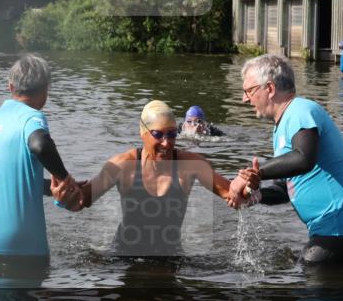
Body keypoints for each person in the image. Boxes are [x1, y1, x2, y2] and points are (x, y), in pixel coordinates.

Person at [230, 54, 343, 265]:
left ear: (270, 89)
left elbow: (303, 159)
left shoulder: (300, 110)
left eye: (249, 91)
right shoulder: (284, 124)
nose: (245, 99)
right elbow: (288, 187)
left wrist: (253, 173)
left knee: (308, 275)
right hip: (339, 227)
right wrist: (257, 196)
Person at [67, 101, 247, 257]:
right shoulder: (121, 165)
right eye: (158, 134)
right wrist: (64, 194)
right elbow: (82, 200)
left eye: (171, 134)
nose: (166, 143)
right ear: (142, 132)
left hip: (170, 256)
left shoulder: (192, 164)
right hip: (124, 255)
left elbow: (231, 193)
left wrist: (247, 187)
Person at [0, 54, 80, 267]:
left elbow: (14, 180)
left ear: (10, 87)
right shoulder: (31, 117)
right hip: (20, 247)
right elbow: (40, 145)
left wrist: (52, 188)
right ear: (46, 88)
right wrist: (65, 179)